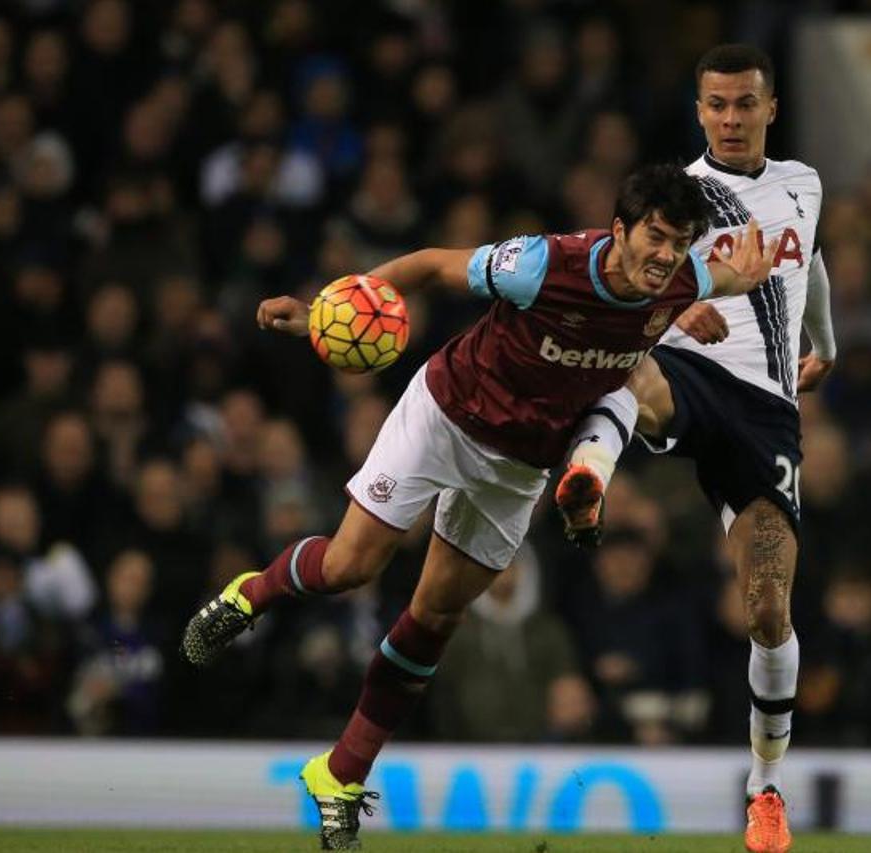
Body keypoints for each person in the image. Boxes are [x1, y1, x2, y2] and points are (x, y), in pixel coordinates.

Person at [179, 162, 776, 851]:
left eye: (680, 242)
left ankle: (339, 774)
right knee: (349, 567)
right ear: (620, 231)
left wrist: (750, 275)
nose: (667, 254)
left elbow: (723, 274)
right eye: (657, 237)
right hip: (444, 414)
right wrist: (324, 308)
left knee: (435, 618)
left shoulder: (682, 279)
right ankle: (250, 594)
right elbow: (432, 265)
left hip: (518, 466)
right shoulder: (544, 264)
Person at [554, 45, 836, 853]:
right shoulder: (678, 196)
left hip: (767, 412)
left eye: (745, 104)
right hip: (691, 370)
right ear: (699, 110)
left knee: (768, 610)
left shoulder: (803, 184)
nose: (731, 119)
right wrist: (677, 311)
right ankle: (587, 476)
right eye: (717, 104)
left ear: (771, 108)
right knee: (629, 366)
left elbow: (810, 258)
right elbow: (624, 278)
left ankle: (765, 788)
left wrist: (828, 343)